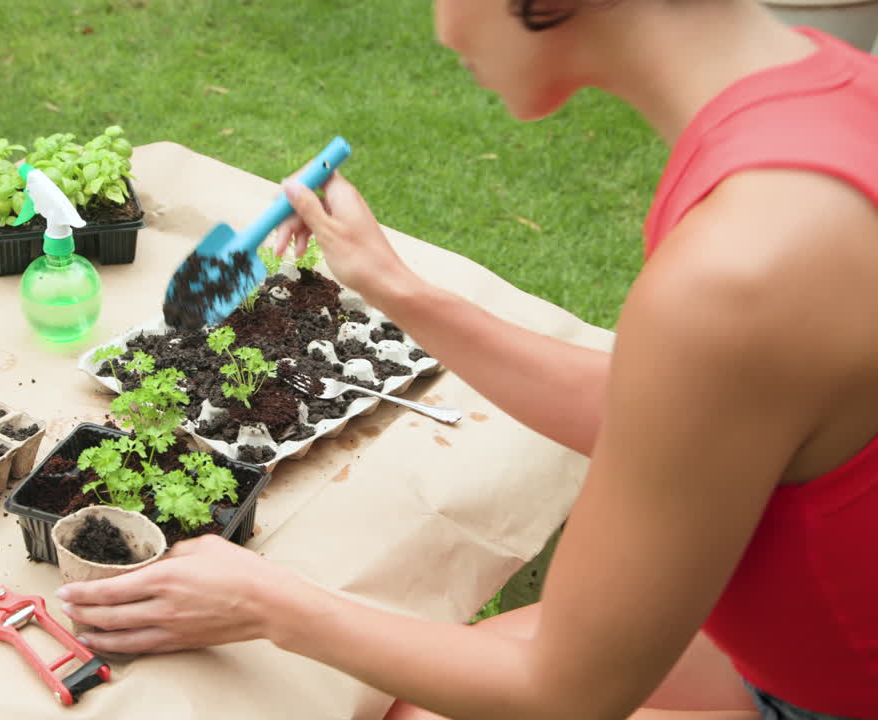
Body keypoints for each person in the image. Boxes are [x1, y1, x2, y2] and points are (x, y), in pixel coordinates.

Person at [57, 1, 878, 718]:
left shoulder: (738, 275)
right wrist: (395, 288)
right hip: (810, 646)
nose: (439, 24)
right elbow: (671, 415)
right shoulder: (827, 98)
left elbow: (561, 692)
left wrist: (267, 601)